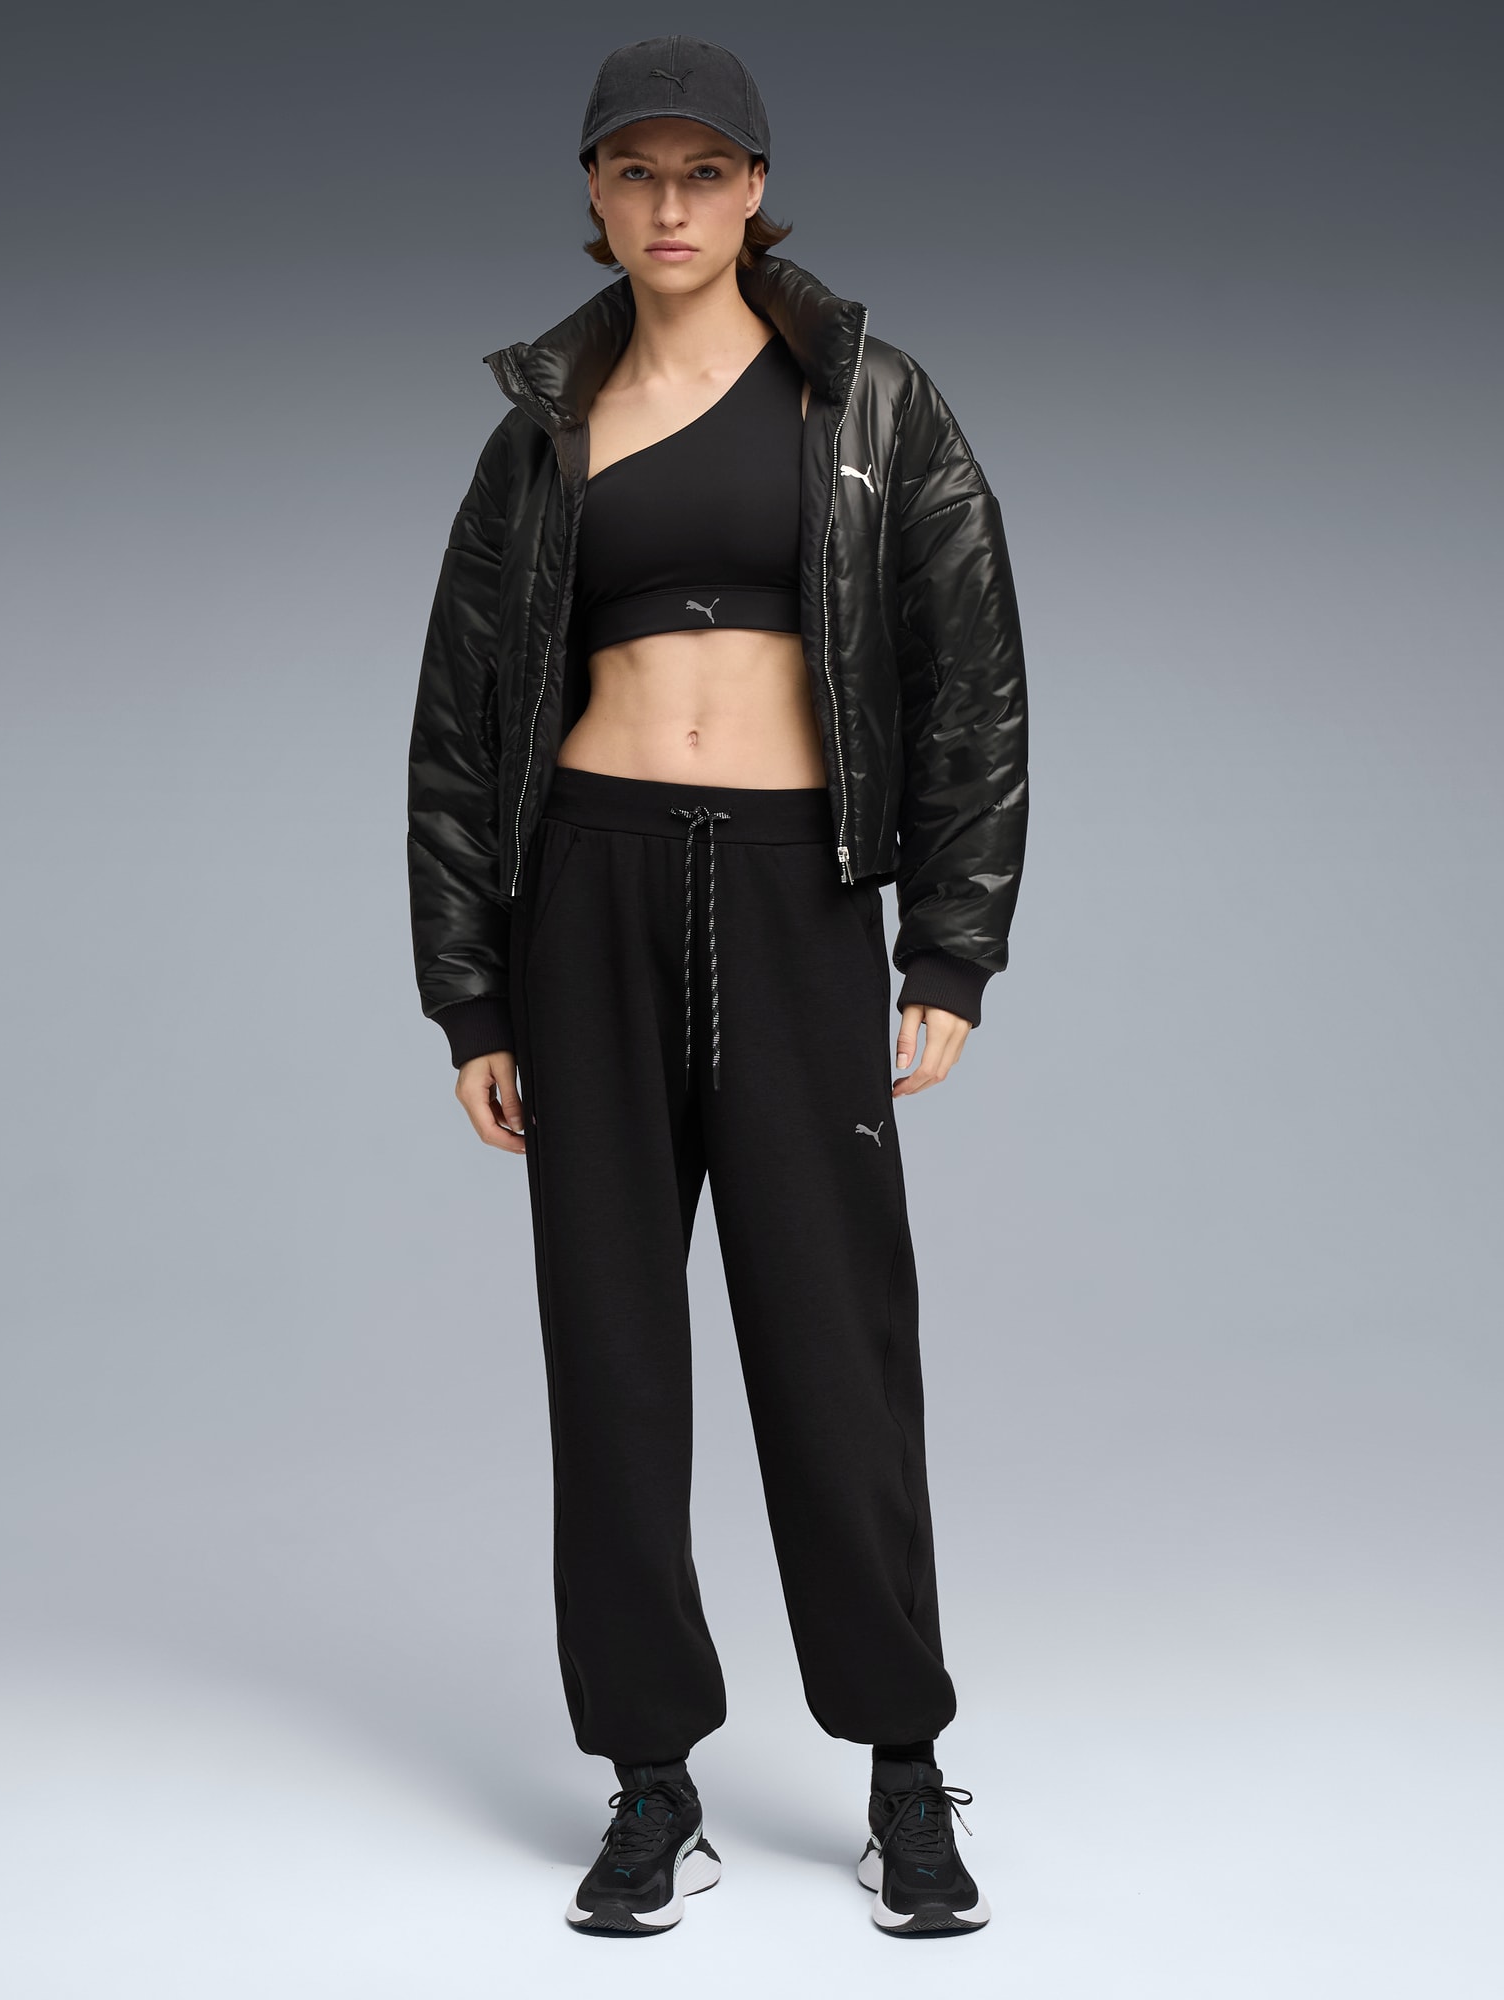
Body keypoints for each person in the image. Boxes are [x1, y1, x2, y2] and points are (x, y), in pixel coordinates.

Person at [405, 36, 1028, 1939]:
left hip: (792, 899)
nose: (669, 206)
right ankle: (650, 1778)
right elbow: (459, 726)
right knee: (610, 1356)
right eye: (635, 173)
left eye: (704, 172)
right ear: (593, 197)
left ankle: (902, 1766)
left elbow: (973, 679)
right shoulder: (541, 429)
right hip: (585, 898)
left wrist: (952, 945)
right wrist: (472, 996)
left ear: (757, 190)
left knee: (835, 1347)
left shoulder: (875, 405)